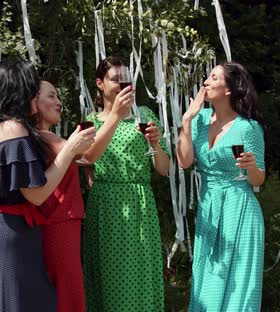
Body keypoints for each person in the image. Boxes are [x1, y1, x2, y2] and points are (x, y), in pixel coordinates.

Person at [0, 60, 95, 312]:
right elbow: (36, 195)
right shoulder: (14, 128)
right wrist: (69, 150)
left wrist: (5, 209)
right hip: (10, 242)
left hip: (2, 236)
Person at [81, 56, 171, 312]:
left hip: (140, 202)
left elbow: (164, 169)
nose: (123, 84)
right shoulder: (91, 120)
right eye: (115, 79)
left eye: (126, 79)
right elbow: (85, 160)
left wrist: (155, 144)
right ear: (99, 83)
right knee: (108, 274)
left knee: (140, 272)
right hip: (106, 205)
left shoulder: (145, 115)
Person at [176, 61, 266, 311]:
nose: (206, 82)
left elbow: (259, 179)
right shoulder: (199, 120)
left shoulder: (249, 128)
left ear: (229, 89)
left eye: (214, 78)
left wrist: (250, 167)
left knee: (238, 286)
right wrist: (186, 120)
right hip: (210, 209)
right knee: (208, 280)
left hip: (240, 211)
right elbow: (184, 162)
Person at [35, 80, 87, 312]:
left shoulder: (45, 138)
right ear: (33, 102)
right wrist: (116, 114)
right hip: (58, 222)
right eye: (52, 96)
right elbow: (90, 156)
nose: (59, 103)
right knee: (67, 291)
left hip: (60, 222)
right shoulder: (44, 137)